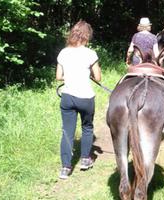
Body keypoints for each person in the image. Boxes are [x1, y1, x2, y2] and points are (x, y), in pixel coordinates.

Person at [56, 20, 101, 179]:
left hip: (67, 97)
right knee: (87, 128)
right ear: (87, 35)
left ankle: (65, 168)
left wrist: (70, 75)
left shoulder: (63, 52)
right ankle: (85, 160)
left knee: (67, 132)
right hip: (86, 98)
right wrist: (86, 73)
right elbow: (98, 77)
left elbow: (58, 77)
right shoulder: (90, 54)